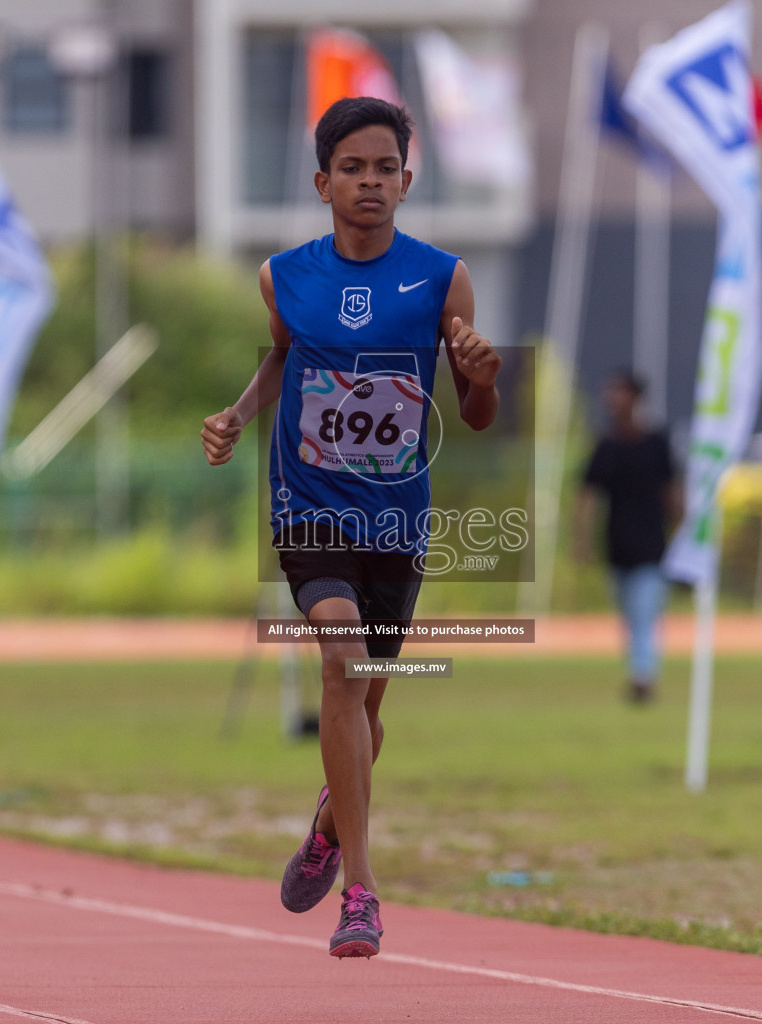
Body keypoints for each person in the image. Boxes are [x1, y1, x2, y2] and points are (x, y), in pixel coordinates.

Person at [200, 96, 501, 958]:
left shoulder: (443, 278)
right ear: (324, 180)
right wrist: (238, 411)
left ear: (407, 181)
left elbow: (476, 415)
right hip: (309, 506)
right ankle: (363, 891)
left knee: (365, 710)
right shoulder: (282, 275)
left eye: (385, 169)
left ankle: (331, 823)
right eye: (353, 169)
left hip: (397, 517)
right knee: (339, 658)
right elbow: (287, 353)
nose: (369, 183)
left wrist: (481, 380)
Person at [576, 371, 679, 704]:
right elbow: (587, 496)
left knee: (645, 613)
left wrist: (683, 536)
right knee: (631, 619)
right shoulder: (606, 447)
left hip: (653, 547)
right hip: (618, 547)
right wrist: (583, 540)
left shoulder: (656, 444)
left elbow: (672, 494)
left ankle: (642, 676)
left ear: (635, 398)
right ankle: (641, 670)